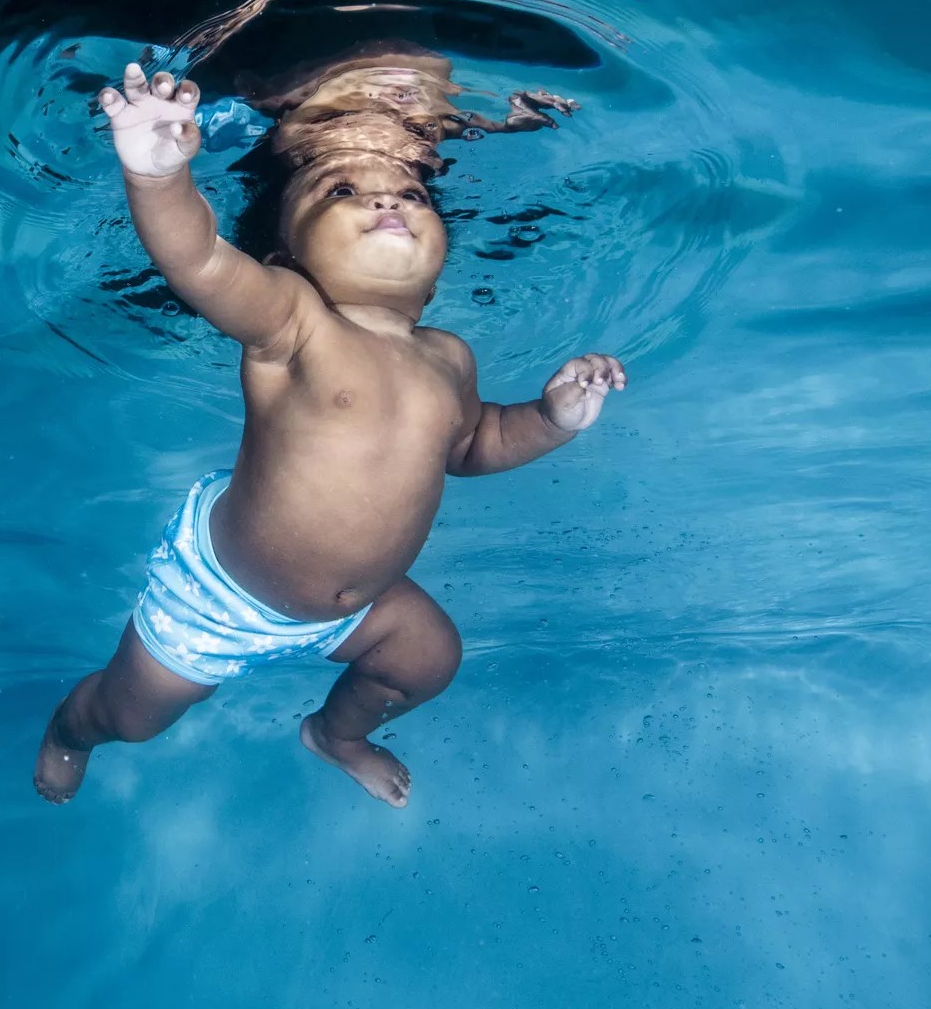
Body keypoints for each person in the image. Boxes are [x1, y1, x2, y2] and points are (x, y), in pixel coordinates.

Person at [34, 62, 626, 807]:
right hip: (223, 601)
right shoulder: (292, 322)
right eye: (340, 191)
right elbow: (199, 259)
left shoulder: (448, 356)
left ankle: (335, 735)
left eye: (411, 193)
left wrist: (549, 420)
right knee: (130, 717)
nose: (387, 194)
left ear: (437, 267)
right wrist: (157, 177)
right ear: (286, 257)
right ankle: (69, 730)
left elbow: (473, 445)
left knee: (429, 659)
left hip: (357, 607)